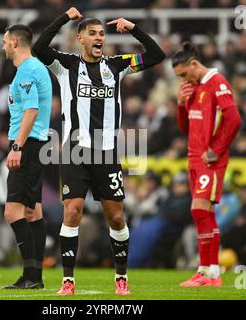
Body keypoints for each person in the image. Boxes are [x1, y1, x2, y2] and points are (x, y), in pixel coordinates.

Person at [32, 7, 165, 295]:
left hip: (106, 153)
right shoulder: (65, 65)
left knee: (116, 216)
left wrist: (134, 30)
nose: (99, 37)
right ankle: (68, 282)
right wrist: (65, 18)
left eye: (102, 33)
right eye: (92, 33)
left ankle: (121, 278)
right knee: (73, 211)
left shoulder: (118, 65)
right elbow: (39, 47)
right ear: (80, 39)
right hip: (75, 152)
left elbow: (157, 56)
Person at [173, 42, 241, 287]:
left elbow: (233, 119)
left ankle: (208, 271)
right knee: (205, 213)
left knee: (199, 210)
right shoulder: (195, 88)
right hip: (193, 158)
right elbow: (185, 128)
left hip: (209, 159)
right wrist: (181, 104)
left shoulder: (217, 82)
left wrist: (216, 150)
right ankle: (210, 272)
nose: (183, 80)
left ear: (194, 64)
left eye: (183, 74)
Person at [1, 24, 52, 289]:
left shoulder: (28, 70)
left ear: (14, 42)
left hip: (29, 144)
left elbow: (31, 110)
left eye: (4, 41)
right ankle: (34, 277)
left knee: (13, 212)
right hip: (35, 143)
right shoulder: (33, 68)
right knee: (32, 212)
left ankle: (31, 275)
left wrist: (17, 147)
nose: (3, 46)